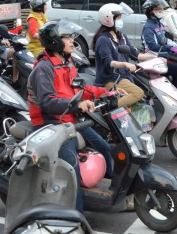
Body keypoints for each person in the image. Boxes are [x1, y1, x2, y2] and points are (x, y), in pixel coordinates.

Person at [28, 20, 116, 213]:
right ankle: (76, 214)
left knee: (105, 147)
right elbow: (47, 102)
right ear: (54, 42)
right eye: (67, 37)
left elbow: (80, 88)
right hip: (51, 124)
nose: (71, 41)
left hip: (70, 120)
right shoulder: (44, 69)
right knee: (71, 168)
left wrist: (106, 92)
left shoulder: (67, 63)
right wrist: (77, 105)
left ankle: (112, 195)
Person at [92, 3, 148, 108]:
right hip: (110, 79)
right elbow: (109, 62)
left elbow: (136, 54)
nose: (120, 20)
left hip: (124, 77)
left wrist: (155, 57)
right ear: (108, 19)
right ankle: (108, 107)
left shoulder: (121, 36)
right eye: (118, 17)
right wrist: (125, 64)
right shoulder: (103, 39)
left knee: (146, 93)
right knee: (138, 93)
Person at [141, 0, 177, 97]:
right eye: (157, 9)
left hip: (161, 55)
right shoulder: (148, 27)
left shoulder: (159, 24)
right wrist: (169, 49)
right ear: (150, 11)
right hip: (152, 58)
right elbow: (153, 46)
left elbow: (164, 39)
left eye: (162, 9)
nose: (161, 11)